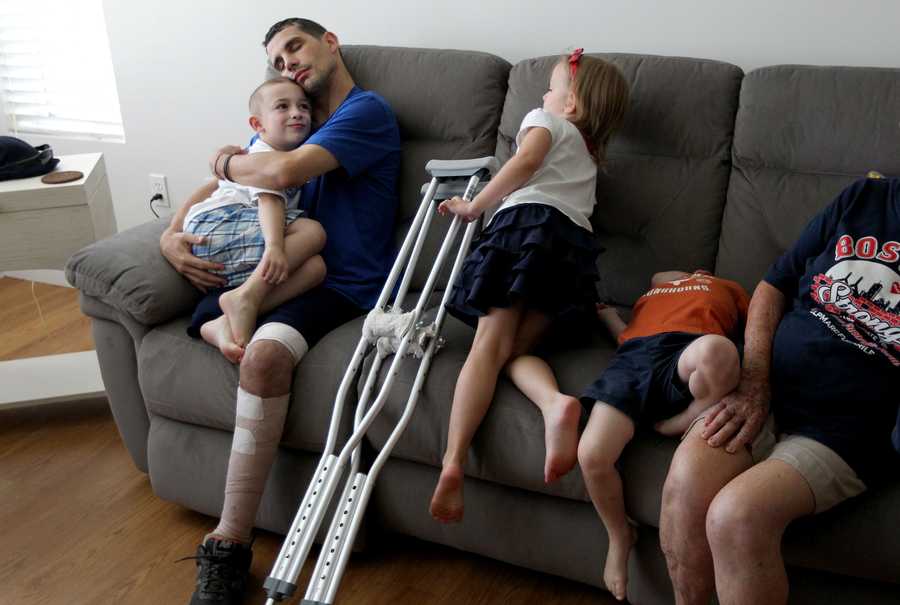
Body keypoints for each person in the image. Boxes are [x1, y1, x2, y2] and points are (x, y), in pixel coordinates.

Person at [160, 18, 401, 605]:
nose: (288, 62)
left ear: (331, 43)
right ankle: (227, 311)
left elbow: (278, 174)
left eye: (295, 46)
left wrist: (226, 161)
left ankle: (228, 541)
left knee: (263, 357)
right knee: (216, 311)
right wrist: (170, 234)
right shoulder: (293, 121)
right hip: (284, 271)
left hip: (343, 284)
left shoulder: (364, 113)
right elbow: (242, 182)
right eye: (277, 60)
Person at [659, 174, 900, 605]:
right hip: (766, 388)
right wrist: (754, 379)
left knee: (735, 517)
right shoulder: (866, 196)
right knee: (686, 484)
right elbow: (773, 286)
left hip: (844, 431)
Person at [428, 49, 630, 524]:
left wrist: (475, 205)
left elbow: (525, 162)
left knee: (486, 347)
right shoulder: (588, 155)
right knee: (512, 352)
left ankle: (452, 461)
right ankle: (555, 403)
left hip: (526, 227)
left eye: (552, 86)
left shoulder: (544, 120)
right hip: (571, 250)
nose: (542, 94)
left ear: (571, 104)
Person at [578, 270, 749, 600]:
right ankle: (619, 535)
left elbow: (755, 329)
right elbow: (628, 332)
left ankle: (690, 412)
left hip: (687, 349)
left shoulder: (729, 286)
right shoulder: (651, 295)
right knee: (592, 455)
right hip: (633, 358)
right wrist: (609, 316)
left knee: (719, 351)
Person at [183, 77, 326, 363]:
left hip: (219, 232)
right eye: (282, 107)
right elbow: (270, 199)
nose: (297, 113)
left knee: (315, 268)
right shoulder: (264, 155)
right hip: (219, 224)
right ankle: (244, 298)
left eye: (304, 107)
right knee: (312, 231)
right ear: (258, 125)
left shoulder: (288, 155)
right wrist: (274, 246)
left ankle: (222, 321)